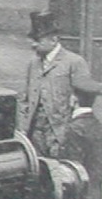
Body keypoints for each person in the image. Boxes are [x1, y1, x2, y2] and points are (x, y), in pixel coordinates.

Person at [16, 11, 95, 158]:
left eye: (37, 40)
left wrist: (73, 130)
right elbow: (24, 99)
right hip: (35, 135)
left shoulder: (75, 62)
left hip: (62, 134)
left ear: (53, 40)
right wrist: (22, 128)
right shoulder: (33, 64)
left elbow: (84, 98)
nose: (33, 45)